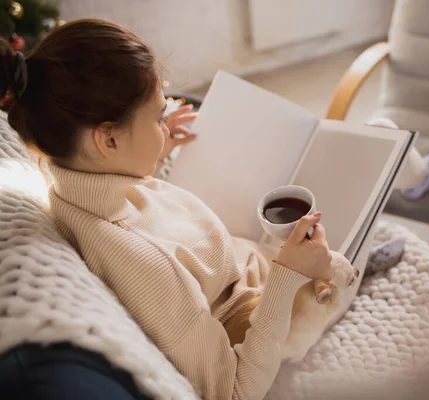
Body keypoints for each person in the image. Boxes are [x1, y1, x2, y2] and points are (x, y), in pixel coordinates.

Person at [0, 19, 333, 400]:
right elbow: (234, 391)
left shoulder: (73, 183)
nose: (166, 124)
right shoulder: (139, 263)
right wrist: (289, 275)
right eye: (158, 117)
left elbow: (138, 216)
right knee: (371, 154)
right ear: (107, 139)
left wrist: (153, 148)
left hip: (250, 261)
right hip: (269, 300)